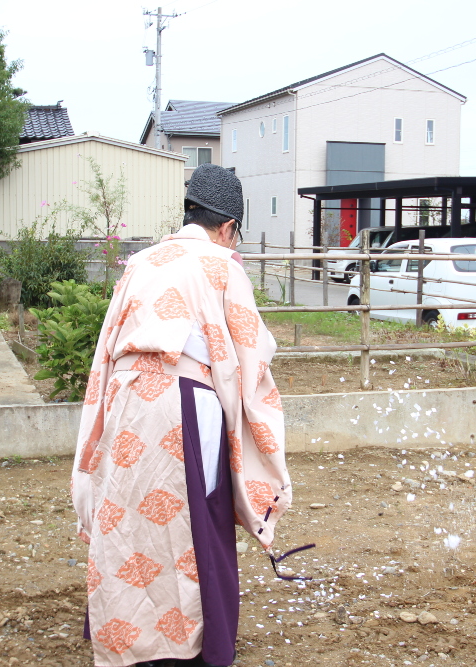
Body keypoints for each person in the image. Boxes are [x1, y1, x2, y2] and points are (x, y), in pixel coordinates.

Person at [72, 163, 292, 667]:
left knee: (125, 514)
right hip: (187, 402)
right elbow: (250, 351)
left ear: (188, 212)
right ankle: (197, 646)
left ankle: (129, 638)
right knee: (199, 514)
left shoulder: (141, 263)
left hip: (126, 397)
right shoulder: (220, 264)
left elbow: (107, 346)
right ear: (229, 226)